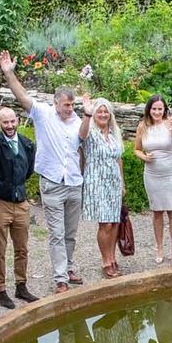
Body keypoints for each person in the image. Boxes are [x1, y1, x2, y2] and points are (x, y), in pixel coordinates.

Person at [0, 50, 87, 292]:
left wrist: (88, 113)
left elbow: (84, 141)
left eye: (72, 105)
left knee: (71, 232)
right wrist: (9, 73)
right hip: (52, 183)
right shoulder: (43, 114)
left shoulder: (79, 121)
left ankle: (69, 266)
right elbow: (22, 96)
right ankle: (60, 278)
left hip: (74, 182)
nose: (70, 108)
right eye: (67, 105)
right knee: (56, 233)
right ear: (56, 102)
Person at [0, 95, 39, 307]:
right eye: (5, 122)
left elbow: (29, 170)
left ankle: (21, 285)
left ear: (17, 121)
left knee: (22, 248)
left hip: (21, 203)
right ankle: (1, 289)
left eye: (12, 121)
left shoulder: (26, 143)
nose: (10, 125)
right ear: (0, 123)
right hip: (1, 204)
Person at [135, 94, 172, 267]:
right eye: (154, 108)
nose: (157, 112)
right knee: (157, 211)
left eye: (160, 108)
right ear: (149, 110)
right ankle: (159, 248)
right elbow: (136, 149)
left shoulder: (170, 123)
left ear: (164, 109)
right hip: (152, 173)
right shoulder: (142, 126)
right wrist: (144, 156)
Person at [78, 97, 126, 279]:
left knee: (114, 222)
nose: (103, 115)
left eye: (106, 112)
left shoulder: (114, 135)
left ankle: (113, 257)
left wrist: (122, 183)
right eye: (100, 111)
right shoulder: (90, 132)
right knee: (104, 223)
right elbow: (80, 135)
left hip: (113, 182)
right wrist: (88, 112)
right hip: (96, 181)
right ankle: (105, 261)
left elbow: (118, 159)